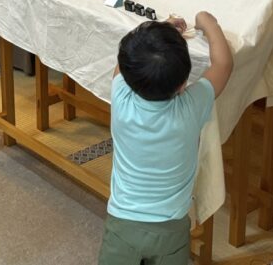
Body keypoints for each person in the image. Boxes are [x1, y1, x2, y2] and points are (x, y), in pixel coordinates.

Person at [98, 13, 233, 265]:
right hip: (171, 230)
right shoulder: (192, 106)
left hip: (122, 226)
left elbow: (122, 63)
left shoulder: (120, 96)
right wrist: (208, 23)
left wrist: (162, 29)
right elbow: (223, 65)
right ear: (183, 84)